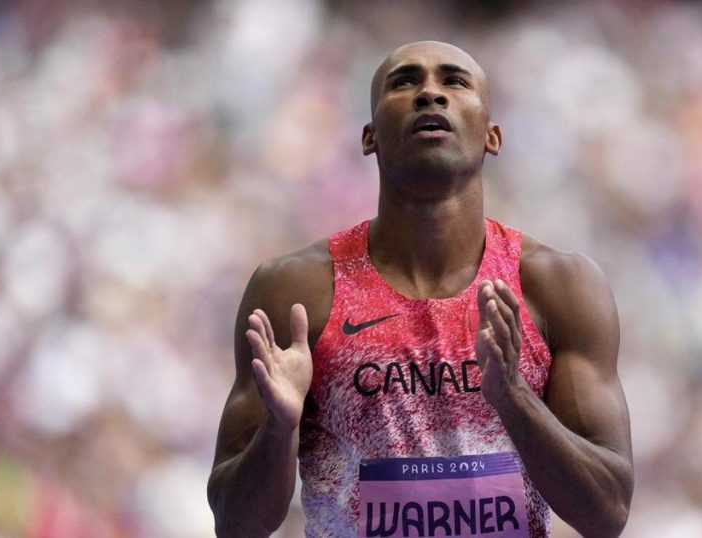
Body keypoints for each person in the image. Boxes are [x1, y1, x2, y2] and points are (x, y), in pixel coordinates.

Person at [207, 41, 633, 538]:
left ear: (492, 135)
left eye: (454, 81)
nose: (430, 93)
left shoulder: (558, 286)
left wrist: (514, 397)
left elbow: (607, 513)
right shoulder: (296, 291)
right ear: (369, 137)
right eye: (405, 81)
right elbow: (235, 524)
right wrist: (279, 429)